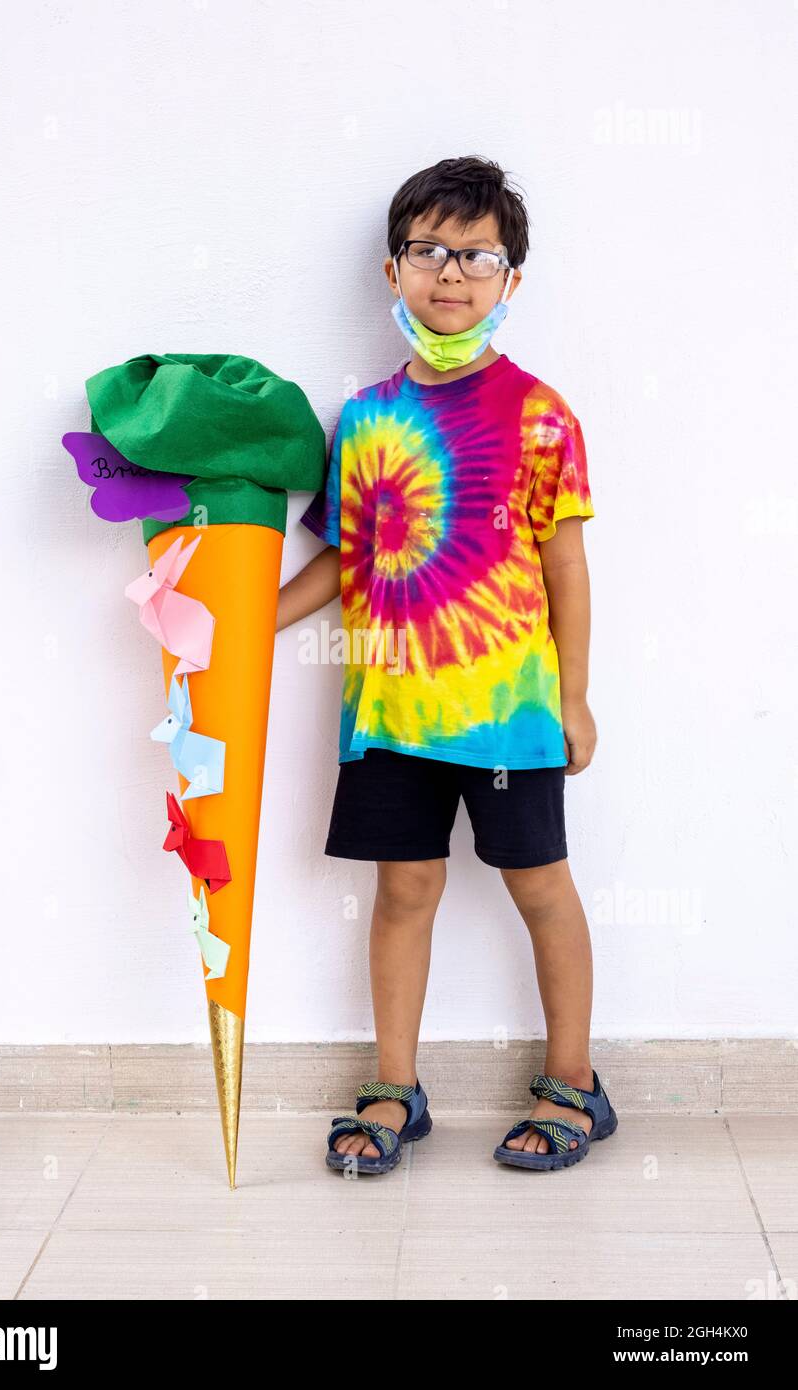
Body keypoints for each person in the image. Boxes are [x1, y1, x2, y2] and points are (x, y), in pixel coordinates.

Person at [276, 155, 617, 1174]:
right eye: (429, 251)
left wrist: (574, 697)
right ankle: (395, 1087)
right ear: (394, 271)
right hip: (389, 712)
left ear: (511, 279)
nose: (451, 273)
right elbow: (343, 556)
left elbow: (565, 563)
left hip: (510, 715)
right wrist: (253, 624)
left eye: (476, 256)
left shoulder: (541, 414)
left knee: (540, 886)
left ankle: (574, 1082)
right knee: (403, 891)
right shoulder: (366, 419)